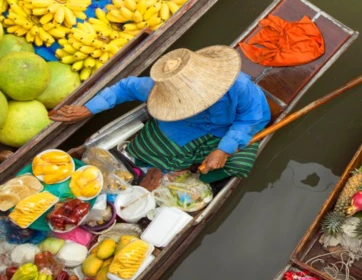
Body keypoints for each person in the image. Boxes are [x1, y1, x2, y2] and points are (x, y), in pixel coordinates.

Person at [51, 46, 271, 183]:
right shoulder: (162, 88)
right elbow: (125, 87)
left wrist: (224, 149)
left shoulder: (240, 86)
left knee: (237, 164)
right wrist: (88, 108)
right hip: (184, 125)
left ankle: (196, 174)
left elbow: (250, 118)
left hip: (233, 127)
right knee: (143, 151)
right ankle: (175, 167)